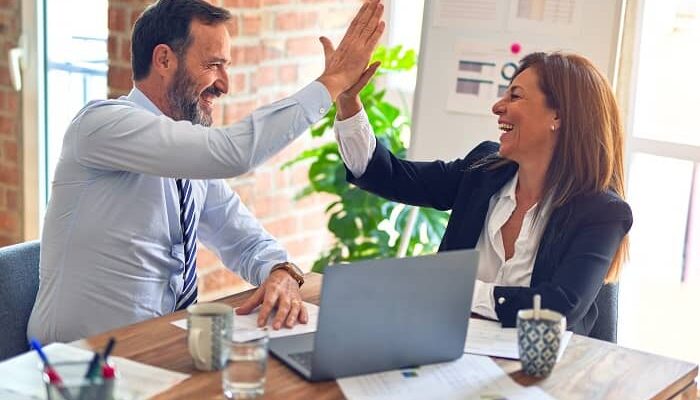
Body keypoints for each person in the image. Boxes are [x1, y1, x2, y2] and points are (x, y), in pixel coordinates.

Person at [28, 0, 385, 343]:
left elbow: (244, 240)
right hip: (76, 364)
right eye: (213, 65)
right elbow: (234, 153)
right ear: (164, 59)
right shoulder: (101, 125)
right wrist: (332, 82)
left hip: (157, 350)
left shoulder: (188, 159)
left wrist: (280, 271)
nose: (225, 84)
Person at [332, 51, 632, 336]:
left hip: (542, 375)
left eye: (515, 96)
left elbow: (559, 307)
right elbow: (389, 176)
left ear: (558, 117)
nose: (498, 106)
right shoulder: (483, 171)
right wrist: (348, 101)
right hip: (449, 349)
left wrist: (456, 289)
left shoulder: (602, 212)